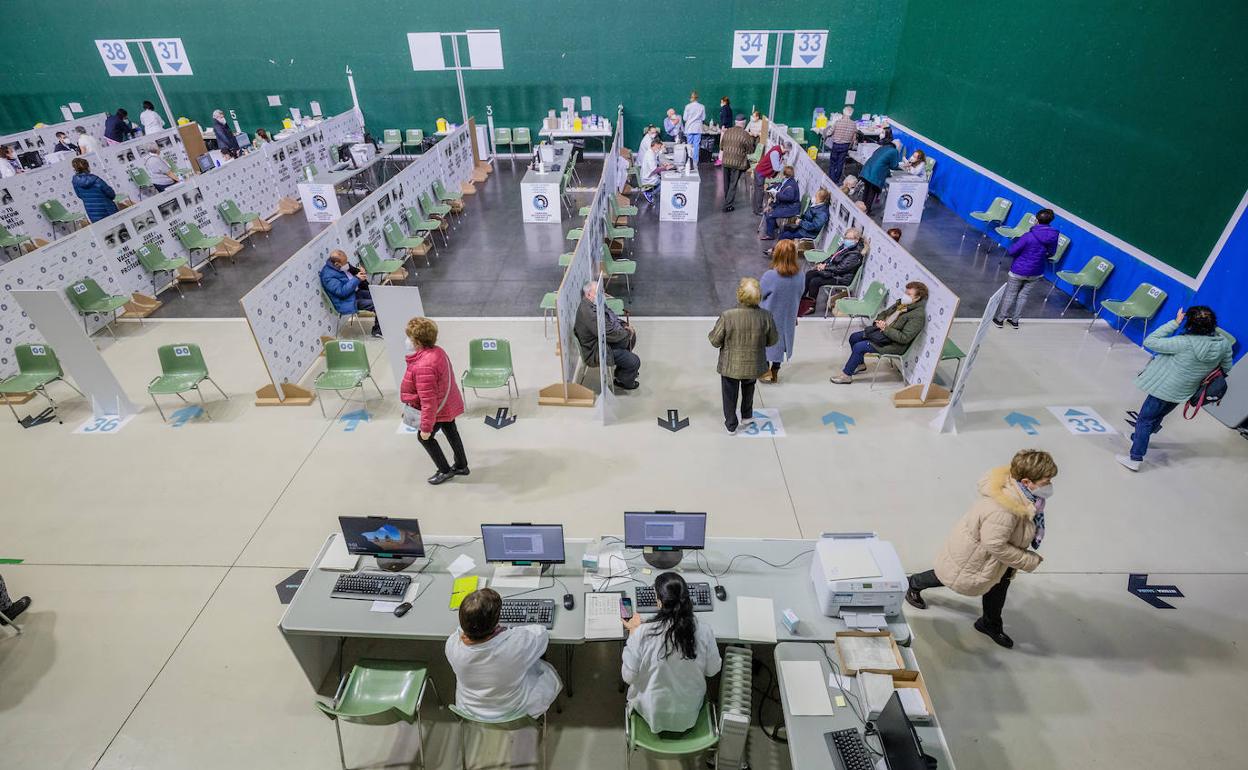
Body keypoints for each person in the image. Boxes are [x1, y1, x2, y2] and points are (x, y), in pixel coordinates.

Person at [906, 450, 1058, 649]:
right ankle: (914, 583)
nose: (1050, 486)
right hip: (978, 555)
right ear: (1028, 481)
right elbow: (994, 544)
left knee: (997, 588)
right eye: (1046, 481)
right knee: (951, 576)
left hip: (998, 561)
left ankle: (990, 623)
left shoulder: (1026, 498)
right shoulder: (1004, 510)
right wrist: (1028, 559)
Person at [1117, 306, 1234, 472]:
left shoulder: (1183, 342)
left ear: (1190, 323)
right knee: (1157, 416)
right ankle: (1137, 438)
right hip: (1184, 391)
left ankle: (1135, 458)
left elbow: (1150, 341)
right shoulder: (1223, 344)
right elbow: (1226, 367)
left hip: (1163, 388)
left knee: (1145, 419)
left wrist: (1174, 322)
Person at [622, 572, 722, 733]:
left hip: (652, 713)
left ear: (660, 603)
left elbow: (628, 677)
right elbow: (712, 670)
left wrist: (633, 632)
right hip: (689, 715)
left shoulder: (643, 633)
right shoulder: (703, 631)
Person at [446, 588, 562, 720]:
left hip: (470, 712)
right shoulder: (515, 646)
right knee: (546, 674)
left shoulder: (452, 645)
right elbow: (541, 634)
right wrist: (512, 629)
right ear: (495, 622)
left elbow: (460, 633)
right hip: (512, 712)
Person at [402, 316, 469, 485]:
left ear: (417, 341)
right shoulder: (438, 351)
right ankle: (461, 465)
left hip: (438, 408)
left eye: (410, 337)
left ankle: (444, 470)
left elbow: (428, 401)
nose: (407, 341)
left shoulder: (424, 365)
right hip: (447, 404)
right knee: (451, 429)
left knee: (424, 437)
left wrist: (425, 427)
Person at [708, 277, 778, 433]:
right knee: (749, 387)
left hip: (730, 365)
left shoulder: (728, 316)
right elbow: (773, 340)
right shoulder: (766, 316)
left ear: (739, 294)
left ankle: (731, 425)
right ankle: (747, 416)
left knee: (729, 393)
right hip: (754, 364)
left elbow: (714, 340)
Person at [830, 281, 927, 384]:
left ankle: (846, 376)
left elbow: (904, 338)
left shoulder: (917, 315)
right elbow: (884, 313)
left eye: (909, 294)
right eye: (905, 292)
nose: (905, 296)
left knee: (859, 347)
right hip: (881, 333)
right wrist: (879, 321)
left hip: (893, 343)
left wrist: (885, 328)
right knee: (854, 337)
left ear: (917, 298)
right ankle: (860, 364)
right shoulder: (902, 304)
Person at [994, 208, 1059, 328]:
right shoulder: (1053, 236)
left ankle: (1000, 319)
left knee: (1011, 294)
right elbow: (1052, 252)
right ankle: (1015, 321)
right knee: (1024, 295)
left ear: (1037, 220)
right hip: (1036, 271)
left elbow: (1013, 251)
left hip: (1018, 270)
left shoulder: (1028, 236)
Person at [574, 280, 641, 390]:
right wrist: (627, 332)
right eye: (599, 291)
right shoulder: (589, 313)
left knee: (630, 339)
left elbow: (611, 316)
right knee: (634, 361)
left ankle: (623, 372)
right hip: (597, 349)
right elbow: (609, 333)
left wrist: (624, 325)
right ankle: (624, 381)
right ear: (589, 294)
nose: (603, 293)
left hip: (604, 340)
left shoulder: (595, 302)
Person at [760, 241, 803, 383]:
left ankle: (765, 370)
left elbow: (759, 294)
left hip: (769, 316)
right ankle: (775, 370)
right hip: (789, 316)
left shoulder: (770, 276)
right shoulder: (801, 275)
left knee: (765, 343)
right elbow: (800, 293)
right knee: (782, 342)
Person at [799, 228, 865, 316]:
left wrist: (825, 267)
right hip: (833, 272)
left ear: (856, 240)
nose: (846, 240)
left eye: (849, 238)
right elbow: (832, 257)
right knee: (810, 273)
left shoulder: (855, 254)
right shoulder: (844, 247)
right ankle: (801, 300)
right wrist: (822, 263)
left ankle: (811, 307)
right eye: (846, 237)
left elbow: (841, 268)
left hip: (841, 278)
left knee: (815, 281)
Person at [320, 250, 382, 337]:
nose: (347, 264)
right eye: (345, 263)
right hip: (346, 301)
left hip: (355, 294)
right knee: (378, 305)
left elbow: (354, 274)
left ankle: (385, 323)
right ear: (337, 264)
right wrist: (357, 278)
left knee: (380, 297)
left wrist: (360, 272)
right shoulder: (327, 276)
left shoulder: (342, 266)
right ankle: (378, 331)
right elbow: (342, 292)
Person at [718, 114, 754, 212]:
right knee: (733, 184)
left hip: (726, 161)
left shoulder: (727, 132)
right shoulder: (745, 134)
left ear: (735, 122)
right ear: (744, 123)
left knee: (726, 183)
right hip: (738, 163)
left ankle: (727, 200)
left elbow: (721, 147)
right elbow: (750, 151)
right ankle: (727, 205)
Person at [859, 138, 900, 213]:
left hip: (867, 169)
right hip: (875, 174)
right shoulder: (894, 151)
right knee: (872, 191)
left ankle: (861, 207)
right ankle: (866, 210)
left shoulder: (883, 147)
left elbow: (882, 162)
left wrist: (888, 173)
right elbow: (894, 166)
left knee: (867, 189)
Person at [71, 158, 118, 222]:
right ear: (88, 167)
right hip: (108, 210)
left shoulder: (75, 181)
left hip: (92, 213)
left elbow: (79, 195)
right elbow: (111, 194)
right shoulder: (95, 179)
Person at [760, 165, 800, 240]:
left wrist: (777, 194)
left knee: (769, 214)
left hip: (790, 208)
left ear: (784, 174)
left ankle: (770, 235)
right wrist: (770, 189)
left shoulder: (791, 185)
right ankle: (773, 226)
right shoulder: (787, 181)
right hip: (786, 205)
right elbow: (779, 186)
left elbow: (789, 198)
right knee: (768, 211)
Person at [822, 106, 857, 182]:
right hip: (845, 146)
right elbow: (854, 138)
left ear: (843, 113)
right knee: (840, 163)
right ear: (851, 114)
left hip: (836, 145)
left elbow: (829, 133)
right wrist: (850, 145)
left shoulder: (838, 122)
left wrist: (826, 132)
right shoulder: (854, 124)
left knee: (833, 162)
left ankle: (831, 179)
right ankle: (836, 180)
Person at [751, 141, 784, 216]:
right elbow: (776, 168)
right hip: (760, 173)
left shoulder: (777, 149)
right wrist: (783, 165)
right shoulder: (776, 152)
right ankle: (758, 210)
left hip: (759, 171)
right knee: (759, 192)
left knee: (757, 191)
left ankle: (756, 209)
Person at [639, 138, 674, 205]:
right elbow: (654, 170)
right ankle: (649, 193)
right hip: (648, 178)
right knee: (664, 183)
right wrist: (665, 168)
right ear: (655, 145)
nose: (660, 148)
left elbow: (654, 163)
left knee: (662, 177)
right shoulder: (650, 155)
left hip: (649, 174)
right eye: (659, 147)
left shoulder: (651, 152)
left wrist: (663, 164)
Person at [683, 91, 705, 164]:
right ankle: (695, 162)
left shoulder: (687, 106)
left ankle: (689, 160)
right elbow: (703, 118)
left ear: (691, 98)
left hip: (689, 128)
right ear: (697, 98)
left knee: (689, 145)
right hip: (698, 128)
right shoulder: (702, 106)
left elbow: (685, 118)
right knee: (696, 145)